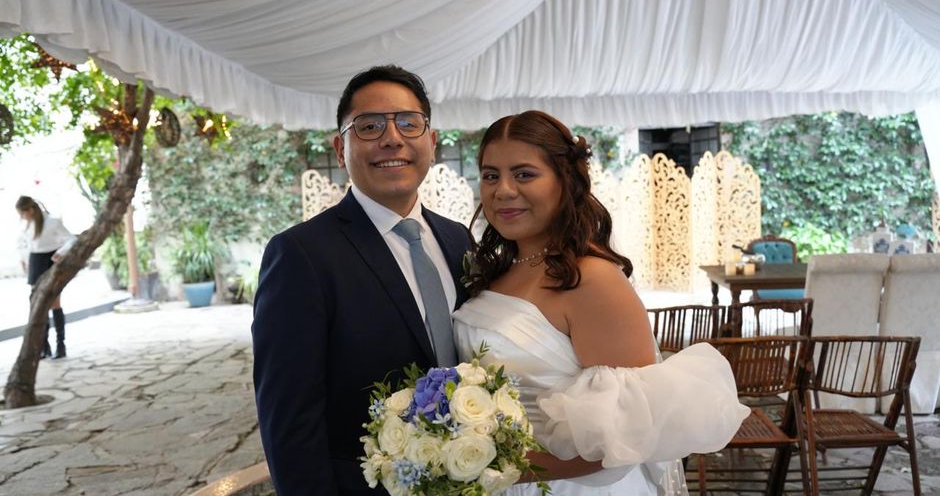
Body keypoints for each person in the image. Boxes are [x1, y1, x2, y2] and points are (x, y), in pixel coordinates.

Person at [453, 111, 748, 495]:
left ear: (565, 181)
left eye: (524, 174)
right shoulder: (497, 271)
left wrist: (493, 465)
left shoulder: (591, 279)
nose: (503, 190)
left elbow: (626, 434)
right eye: (491, 175)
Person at [252, 65, 473, 495]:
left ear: (431, 140)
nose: (392, 138)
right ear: (340, 148)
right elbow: (289, 424)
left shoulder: (456, 238)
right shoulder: (301, 255)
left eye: (409, 122)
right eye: (369, 126)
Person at [15, 195, 75, 359]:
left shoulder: (52, 222)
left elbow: (71, 239)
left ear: (30, 210)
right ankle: (44, 347)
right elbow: (24, 245)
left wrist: (60, 253)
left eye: (22, 213)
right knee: (38, 306)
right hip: (35, 264)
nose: (21, 217)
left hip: (50, 262)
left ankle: (60, 346)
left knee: (54, 304)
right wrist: (23, 260)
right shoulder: (26, 225)